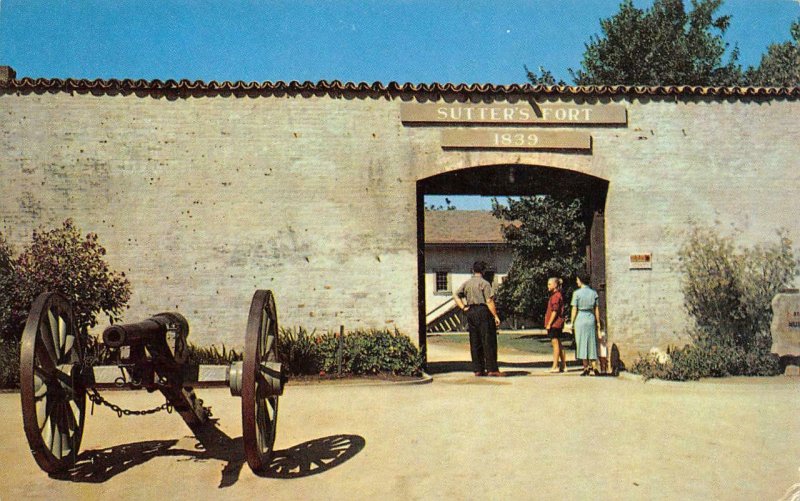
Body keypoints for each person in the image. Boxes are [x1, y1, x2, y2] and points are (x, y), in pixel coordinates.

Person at [453, 261, 503, 377]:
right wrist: (495, 316)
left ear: (473, 270)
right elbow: (489, 301)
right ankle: (491, 369)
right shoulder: (485, 284)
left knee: (475, 341)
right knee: (488, 340)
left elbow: (456, 295)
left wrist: (463, 307)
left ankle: (478, 369)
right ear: (483, 271)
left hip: (471, 311)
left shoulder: (467, 283)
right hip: (483, 311)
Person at [570, 273, 601, 376]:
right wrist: (598, 322)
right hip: (590, 317)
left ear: (581, 280)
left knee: (581, 342)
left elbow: (574, 308)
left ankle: (585, 367)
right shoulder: (594, 293)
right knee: (591, 341)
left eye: (577, 280)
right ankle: (594, 366)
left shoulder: (577, 293)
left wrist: (572, 321)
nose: (576, 281)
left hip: (580, 318)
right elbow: (596, 309)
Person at [545, 277, 566, 373]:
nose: (548, 286)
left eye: (549, 284)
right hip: (558, 323)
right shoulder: (557, 295)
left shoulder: (555, 297)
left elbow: (555, 311)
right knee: (559, 344)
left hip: (555, 324)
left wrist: (549, 323)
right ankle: (564, 365)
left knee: (555, 344)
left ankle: (555, 366)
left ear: (555, 285)